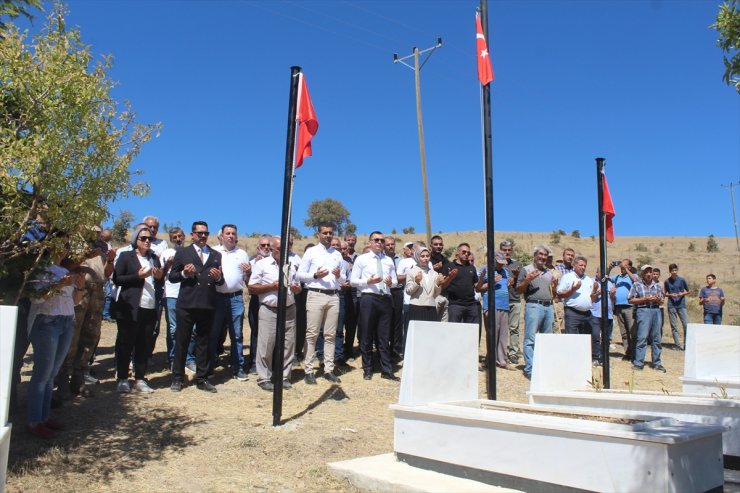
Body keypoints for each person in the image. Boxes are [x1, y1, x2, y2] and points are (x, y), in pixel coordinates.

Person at [25, 250, 84, 438]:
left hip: (66, 321)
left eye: (67, 245)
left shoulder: (64, 269)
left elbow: (75, 302)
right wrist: (59, 284)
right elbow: (36, 298)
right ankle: (34, 421)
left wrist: (80, 287)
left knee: (52, 374)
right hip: (46, 322)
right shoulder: (39, 269)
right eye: (62, 243)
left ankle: (44, 417)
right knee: (42, 373)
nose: (65, 249)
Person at [169, 221, 224, 393]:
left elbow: (221, 281)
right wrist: (185, 273)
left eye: (205, 233)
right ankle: (177, 378)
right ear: (192, 235)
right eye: (199, 233)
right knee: (182, 341)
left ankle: (202, 378)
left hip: (207, 304)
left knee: (203, 342)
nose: (202, 236)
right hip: (186, 304)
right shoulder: (183, 253)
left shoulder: (216, 255)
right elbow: (172, 277)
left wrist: (218, 278)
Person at [56, 235, 111, 399]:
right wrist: (84, 256)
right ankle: (63, 379)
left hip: (98, 291)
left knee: (90, 336)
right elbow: (65, 265)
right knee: (72, 336)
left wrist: (110, 260)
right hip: (79, 290)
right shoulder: (74, 241)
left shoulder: (102, 245)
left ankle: (79, 376)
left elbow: (107, 273)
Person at [113, 226, 164, 393]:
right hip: (130, 307)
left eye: (149, 238)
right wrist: (138, 277)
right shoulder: (126, 256)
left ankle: (140, 379)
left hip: (149, 307)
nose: (147, 241)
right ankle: (122, 378)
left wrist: (159, 276)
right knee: (125, 343)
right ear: (136, 240)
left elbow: (159, 281)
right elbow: (117, 278)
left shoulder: (154, 258)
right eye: (143, 238)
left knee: (144, 344)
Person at [248, 236, 301, 391]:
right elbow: (252, 288)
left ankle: (284, 376)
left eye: (286, 248)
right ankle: (264, 377)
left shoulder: (291, 265)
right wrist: (271, 287)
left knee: (288, 344)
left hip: (289, 309)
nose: (284, 251)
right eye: (280, 248)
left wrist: (297, 289)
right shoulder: (262, 265)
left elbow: (297, 286)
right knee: (266, 344)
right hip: (269, 310)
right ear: (271, 249)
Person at [295, 223, 344, 384]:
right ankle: (308, 370)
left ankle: (328, 369)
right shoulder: (311, 252)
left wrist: (338, 276)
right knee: (312, 334)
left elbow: (343, 279)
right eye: (325, 233)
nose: (328, 235)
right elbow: (300, 275)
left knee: (330, 335)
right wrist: (315, 275)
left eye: (330, 233)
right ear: (318, 234)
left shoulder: (337, 254)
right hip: (316, 295)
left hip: (334, 296)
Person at [350, 231, 399, 381]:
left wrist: (392, 283)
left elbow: (396, 281)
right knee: (366, 334)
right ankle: (368, 369)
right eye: (376, 240)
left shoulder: (389, 261)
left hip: (385, 298)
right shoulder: (362, 259)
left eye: (381, 240)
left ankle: (386, 370)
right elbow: (352, 281)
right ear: (370, 242)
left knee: (384, 336)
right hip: (369, 298)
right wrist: (368, 282)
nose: (379, 242)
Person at [210, 224, 250, 380]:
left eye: (233, 233)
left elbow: (247, 278)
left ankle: (238, 367)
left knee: (237, 334)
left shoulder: (242, 254)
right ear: (221, 236)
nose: (231, 236)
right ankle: (210, 365)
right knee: (213, 333)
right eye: (228, 233)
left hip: (236, 299)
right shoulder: (213, 252)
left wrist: (249, 271)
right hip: (216, 298)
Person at [517, 245, 557, 380]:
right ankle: (530, 369)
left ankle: (544, 368)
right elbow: (518, 290)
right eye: (540, 254)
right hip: (534, 306)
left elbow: (554, 293)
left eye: (545, 255)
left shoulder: (549, 273)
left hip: (549, 306)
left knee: (547, 340)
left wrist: (555, 286)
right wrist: (528, 279)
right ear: (534, 255)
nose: (543, 257)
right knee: (530, 339)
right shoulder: (526, 270)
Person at [477, 250, 516, 370]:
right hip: (491, 306)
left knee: (503, 335)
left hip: (504, 306)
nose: (501, 264)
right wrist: (492, 282)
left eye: (503, 262)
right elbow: (479, 288)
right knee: (492, 334)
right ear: (493, 259)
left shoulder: (505, 271)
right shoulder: (485, 269)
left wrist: (510, 282)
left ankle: (502, 360)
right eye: (499, 262)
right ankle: (490, 360)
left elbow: (506, 286)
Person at [628, 265, 666, 373]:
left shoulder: (657, 285)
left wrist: (658, 299)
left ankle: (657, 363)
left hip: (656, 310)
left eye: (650, 272)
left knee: (657, 338)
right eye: (646, 272)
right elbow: (630, 300)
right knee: (642, 337)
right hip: (643, 310)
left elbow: (662, 301)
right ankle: (639, 363)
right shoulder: (637, 284)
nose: (649, 274)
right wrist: (644, 299)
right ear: (642, 274)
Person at [160, 227, 185, 367]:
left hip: (186, 294)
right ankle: (172, 358)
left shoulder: (189, 252)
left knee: (188, 328)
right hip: (170, 294)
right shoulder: (166, 253)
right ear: (170, 239)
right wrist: (167, 265)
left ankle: (186, 357)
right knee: (173, 328)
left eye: (180, 236)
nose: (178, 239)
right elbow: (159, 275)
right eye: (175, 237)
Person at [246, 235, 271, 374]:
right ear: (258, 248)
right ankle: (254, 363)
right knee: (256, 331)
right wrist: (249, 271)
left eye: (268, 245)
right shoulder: (252, 262)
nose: (266, 248)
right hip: (257, 300)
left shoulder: (276, 261)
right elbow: (248, 285)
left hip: (272, 301)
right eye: (263, 245)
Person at [406, 246, 449, 322]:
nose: (425, 258)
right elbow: (408, 291)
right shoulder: (411, 271)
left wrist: (438, 284)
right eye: (422, 256)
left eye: (427, 256)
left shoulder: (434, 273)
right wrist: (416, 282)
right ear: (417, 257)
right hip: (417, 306)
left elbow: (436, 294)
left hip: (431, 307)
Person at [557, 256, 596, 336]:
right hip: (572, 313)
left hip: (587, 314)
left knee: (587, 339)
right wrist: (573, 289)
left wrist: (595, 291)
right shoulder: (567, 277)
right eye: (581, 265)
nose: (583, 267)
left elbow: (592, 299)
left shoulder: (589, 280)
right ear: (574, 265)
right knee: (572, 338)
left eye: (585, 266)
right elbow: (559, 294)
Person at [608, 258, 639, 360]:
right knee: (624, 333)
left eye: (625, 265)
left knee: (632, 331)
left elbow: (635, 281)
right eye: (622, 265)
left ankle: (635, 354)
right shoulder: (617, 277)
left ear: (629, 266)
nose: (622, 267)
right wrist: (609, 268)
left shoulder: (632, 276)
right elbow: (606, 277)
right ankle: (627, 353)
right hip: (619, 307)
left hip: (629, 307)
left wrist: (628, 270)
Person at [498, 241, 523, 364]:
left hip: (515, 299)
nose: (507, 252)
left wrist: (518, 276)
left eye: (509, 250)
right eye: (504, 250)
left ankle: (513, 352)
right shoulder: (497, 264)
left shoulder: (516, 265)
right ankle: (499, 353)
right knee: (500, 328)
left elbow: (522, 283)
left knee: (514, 328)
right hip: (501, 301)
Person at [442, 243, 479, 324]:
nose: (466, 254)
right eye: (464, 252)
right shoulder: (449, 266)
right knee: (454, 332)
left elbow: (476, 286)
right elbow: (442, 287)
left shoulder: (472, 268)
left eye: (468, 253)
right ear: (458, 253)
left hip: (471, 305)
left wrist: (483, 280)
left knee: (472, 332)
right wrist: (450, 277)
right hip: (455, 305)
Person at [590, 268, 615, 367]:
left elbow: (613, 300)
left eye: (605, 273)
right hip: (595, 313)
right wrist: (597, 292)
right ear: (597, 273)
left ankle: (603, 358)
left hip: (608, 314)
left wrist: (613, 295)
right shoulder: (591, 282)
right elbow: (590, 297)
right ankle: (595, 357)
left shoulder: (609, 284)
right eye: (601, 272)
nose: (603, 274)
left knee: (606, 338)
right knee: (595, 336)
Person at [664, 263, 689, 350]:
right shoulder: (667, 281)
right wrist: (671, 295)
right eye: (672, 270)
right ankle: (677, 345)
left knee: (686, 325)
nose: (674, 272)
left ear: (677, 270)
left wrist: (682, 293)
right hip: (671, 305)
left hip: (681, 305)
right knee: (674, 326)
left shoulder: (681, 280)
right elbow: (665, 293)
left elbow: (688, 291)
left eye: (675, 270)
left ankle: (687, 345)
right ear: (670, 271)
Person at [552, 248, 575, 333]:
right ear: (563, 256)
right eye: (568, 255)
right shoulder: (556, 269)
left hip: (572, 303)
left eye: (572, 256)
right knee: (558, 326)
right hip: (560, 302)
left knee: (570, 328)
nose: (570, 257)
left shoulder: (574, 271)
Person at [430, 235, 451, 321]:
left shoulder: (446, 261)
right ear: (431, 246)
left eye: (440, 244)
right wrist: (432, 269)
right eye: (436, 244)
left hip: (445, 296)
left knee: (443, 327)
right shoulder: (427, 260)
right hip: (433, 297)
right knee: (432, 324)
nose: (438, 246)